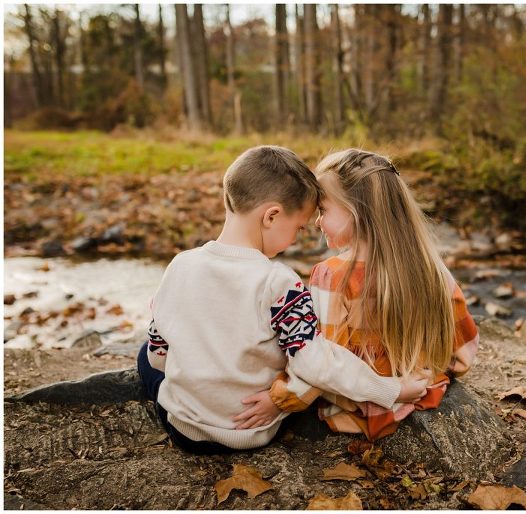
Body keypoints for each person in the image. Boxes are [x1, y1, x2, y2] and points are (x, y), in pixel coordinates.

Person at [136, 145, 428, 454]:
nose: (297, 237)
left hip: (185, 430)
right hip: (255, 431)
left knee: (144, 354)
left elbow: (158, 356)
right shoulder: (281, 284)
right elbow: (317, 364)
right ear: (271, 216)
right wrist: (391, 390)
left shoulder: (180, 265)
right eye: (298, 227)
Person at [261, 148, 479, 441]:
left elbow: (319, 362)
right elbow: (462, 354)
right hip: (420, 392)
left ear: (356, 212)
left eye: (323, 210)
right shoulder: (431, 268)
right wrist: (425, 373)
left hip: (356, 409)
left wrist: (282, 398)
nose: (317, 222)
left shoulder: (332, 276)